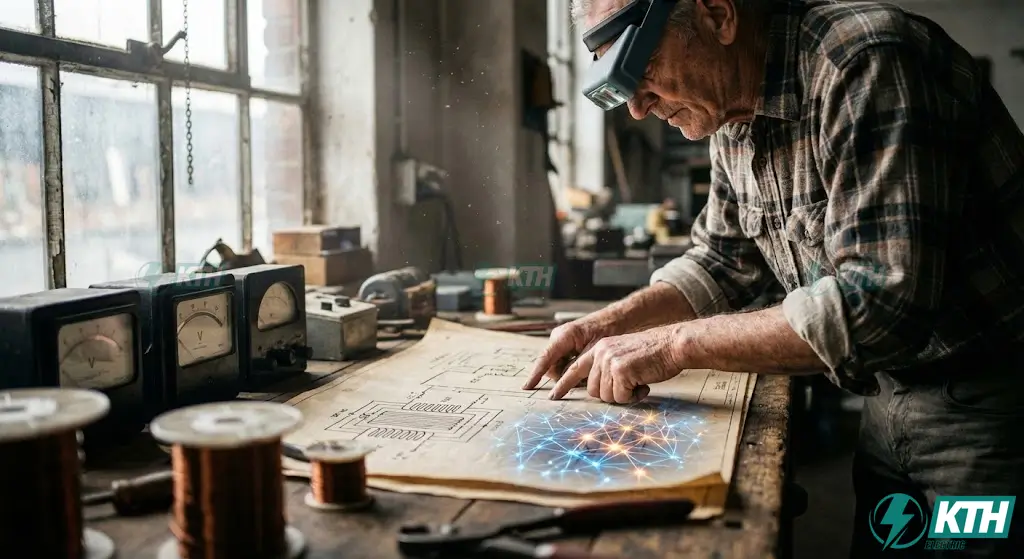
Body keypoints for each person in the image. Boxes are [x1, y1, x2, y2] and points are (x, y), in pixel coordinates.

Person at [523, 1, 1024, 556]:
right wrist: (608, 324)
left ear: (717, 15)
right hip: (888, 396)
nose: (638, 109)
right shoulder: (727, 109)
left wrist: (671, 345)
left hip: (992, 404)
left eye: (640, 70)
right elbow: (721, 260)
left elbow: (882, 304)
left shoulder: (865, 61)